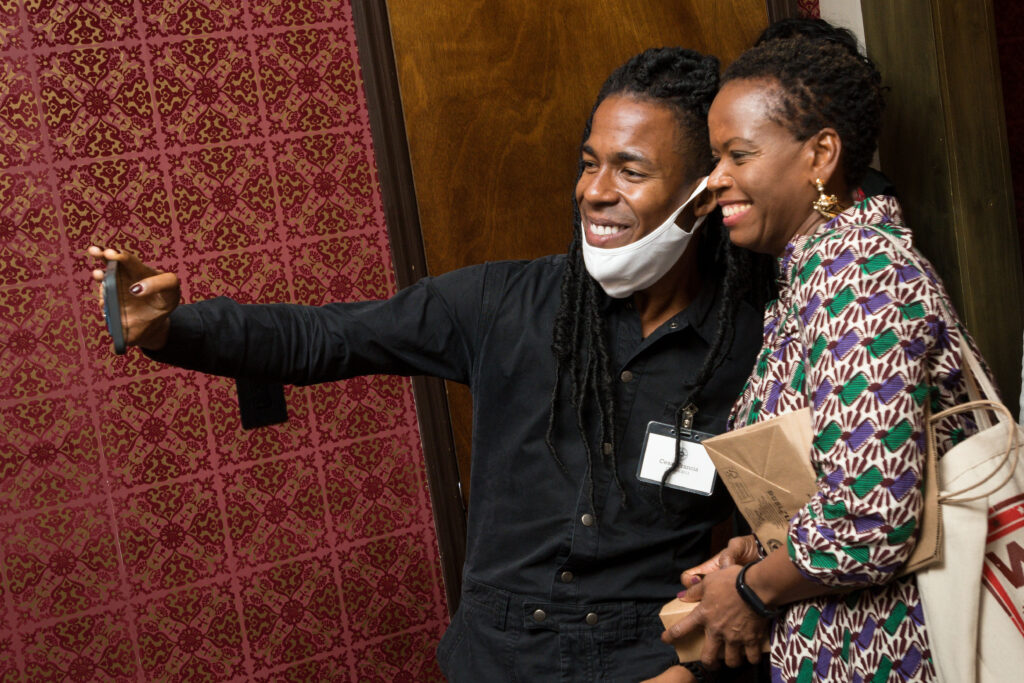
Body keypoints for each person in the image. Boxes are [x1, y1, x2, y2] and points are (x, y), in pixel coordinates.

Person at [89, 48, 770, 682]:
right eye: (588, 162)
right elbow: (327, 336)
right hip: (493, 658)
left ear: (702, 196)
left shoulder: (754, 344)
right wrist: (172, 328)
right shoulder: (501, 302)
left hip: (646, 663)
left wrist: (689, 666)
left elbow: (787, 535)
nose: (593, 190)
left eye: (630, 169)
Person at [660, 34, 989, 682]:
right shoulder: (810, 279)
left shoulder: (861, 277)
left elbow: (871, 520)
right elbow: (839, 476)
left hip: (900, 654)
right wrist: (750, 555)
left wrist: (752, 590)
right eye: (715, 155)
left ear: (821, 155)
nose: (717, 177)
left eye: (738, 154)